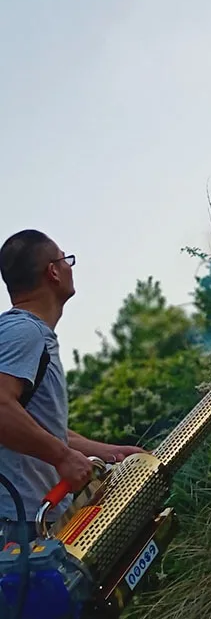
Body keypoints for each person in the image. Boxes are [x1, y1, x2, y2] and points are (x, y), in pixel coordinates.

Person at [0, 229, 144, 544]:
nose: (69, 267)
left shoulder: (26, 334)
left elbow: (40, 430)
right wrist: (63, 458)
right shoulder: (24, 332)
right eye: (66, 260)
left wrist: (109, 452)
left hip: (32, 520)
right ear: (53, 271)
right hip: (16, 525)